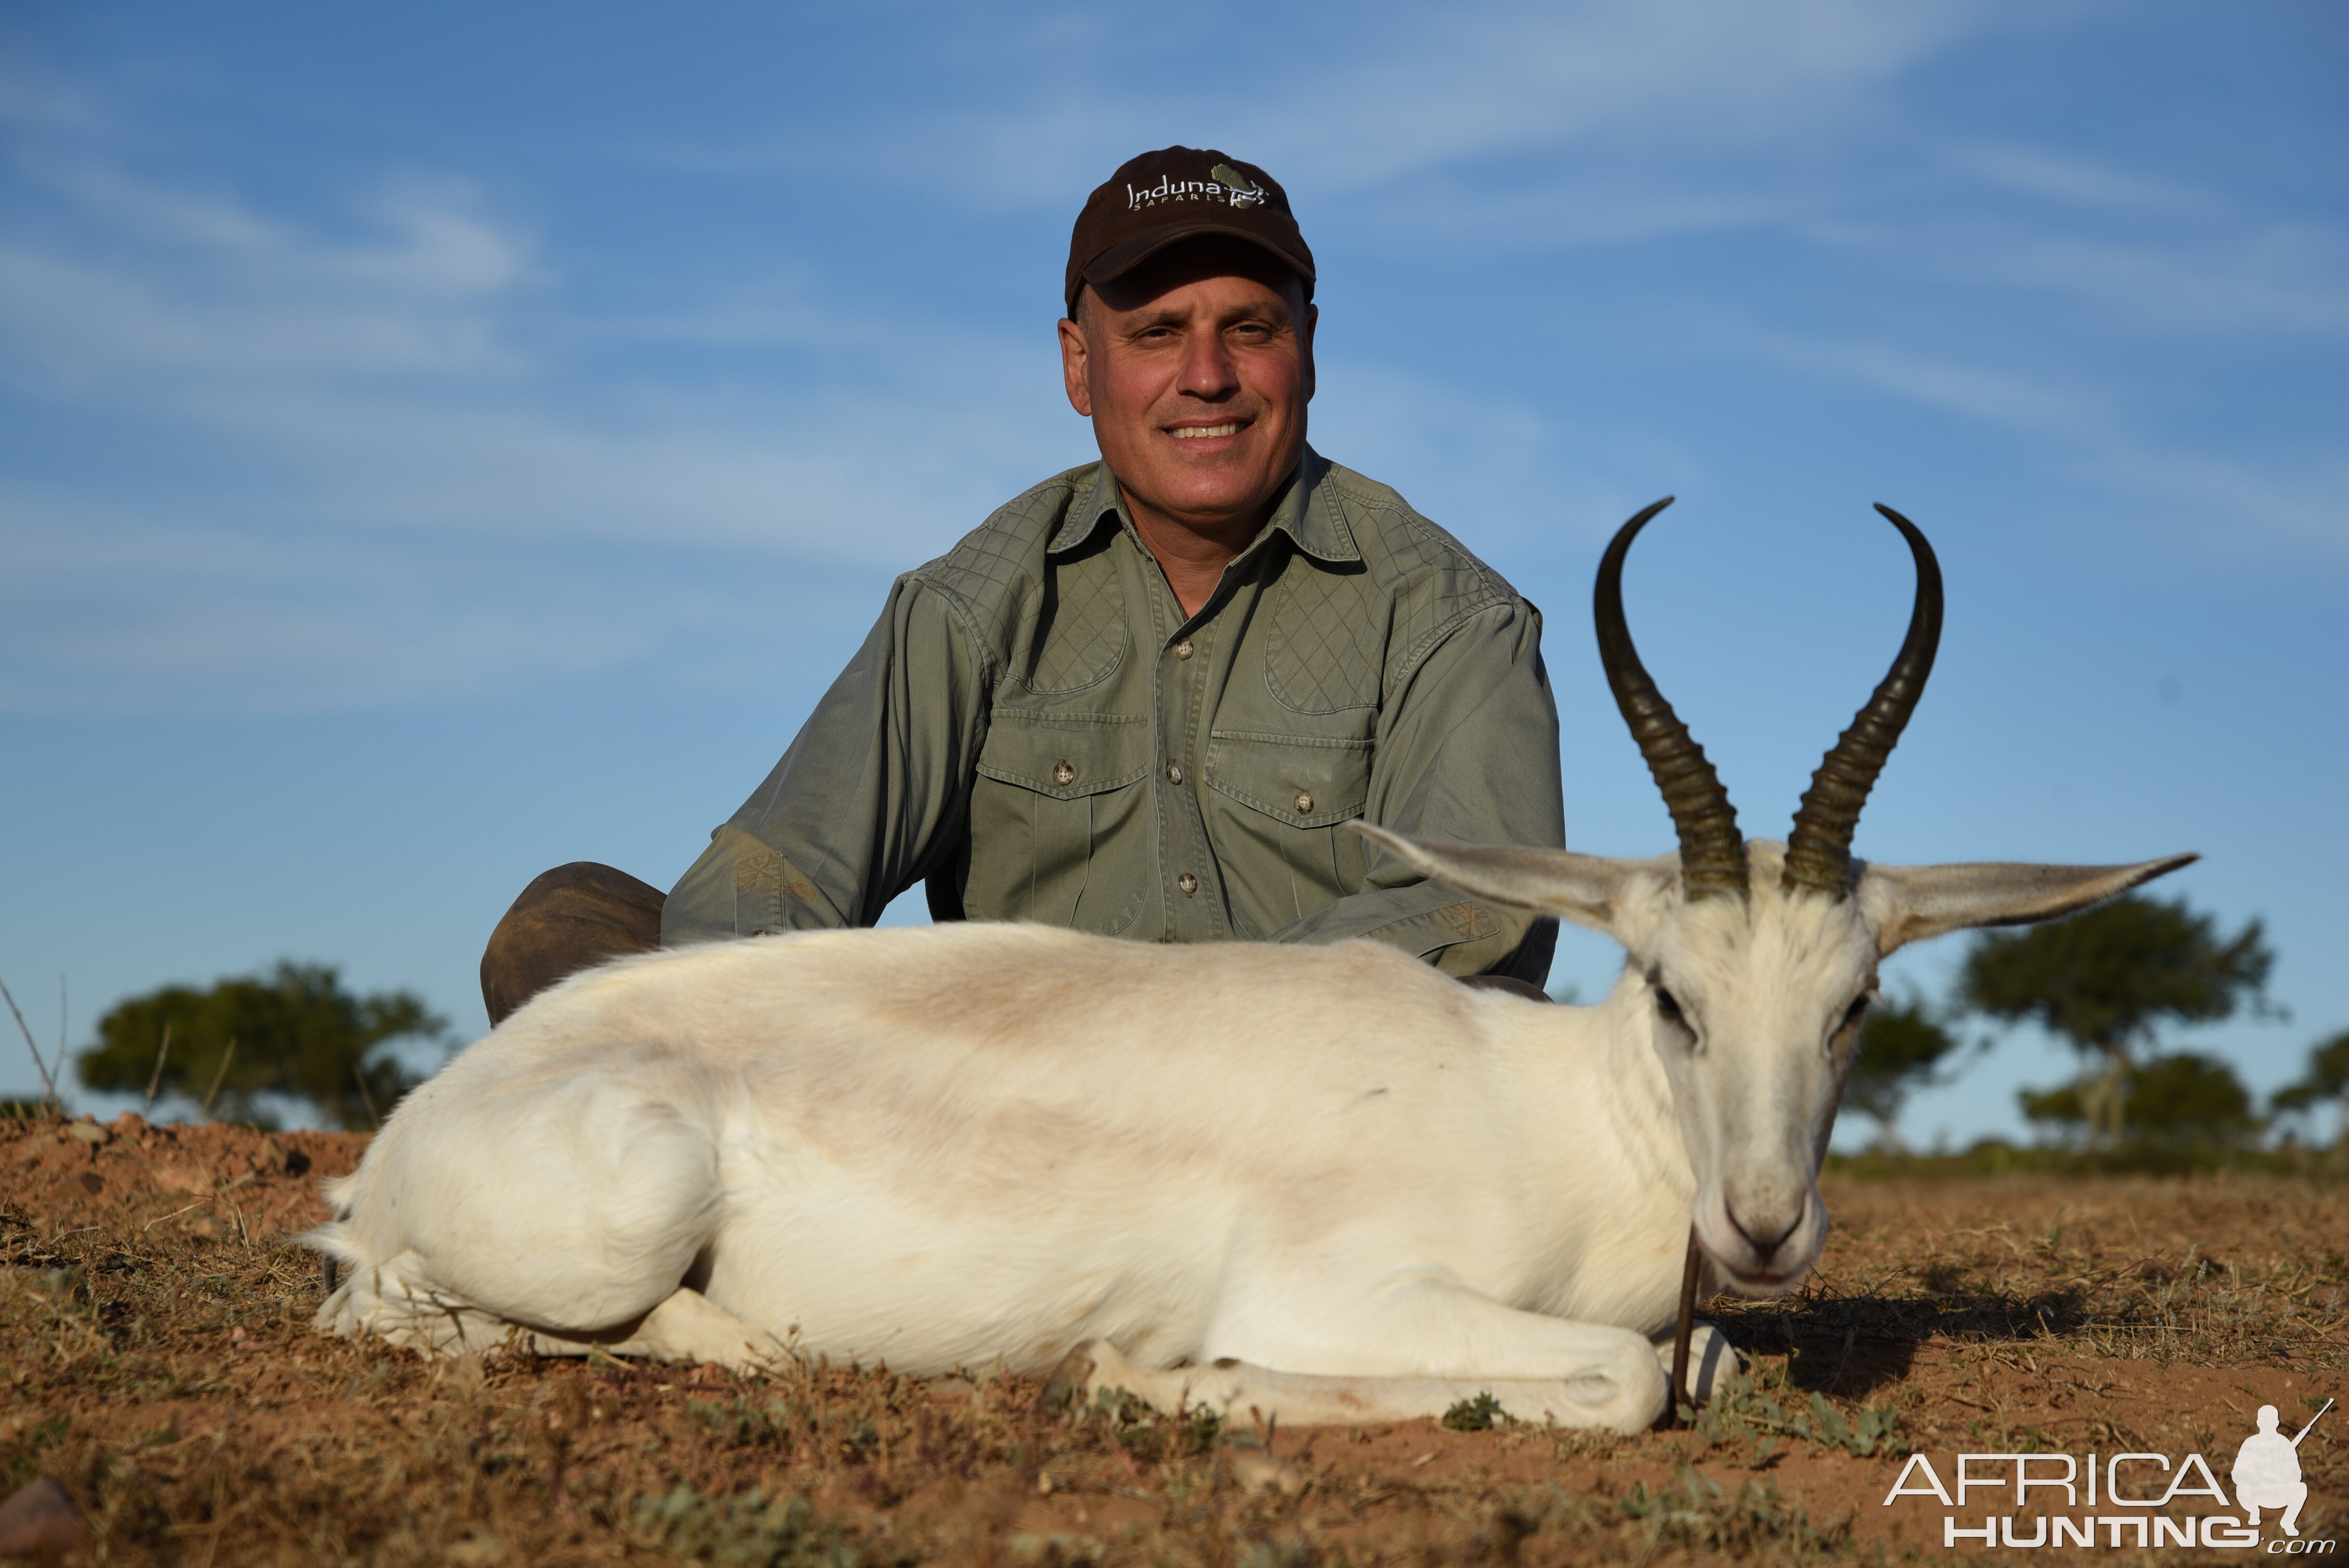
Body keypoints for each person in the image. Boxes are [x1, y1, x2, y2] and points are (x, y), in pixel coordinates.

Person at [480, 147, 1563, 1026]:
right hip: (1017, 1117)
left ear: (1309, 351)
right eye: (1154, 334)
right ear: (1079, 365)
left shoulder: (1454, 617)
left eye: (1250, 326)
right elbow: (784, 870)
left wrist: (1189, 1033)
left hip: (1308, 1127)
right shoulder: (972, 601)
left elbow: (1481, 910)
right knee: (570, 930)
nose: (1207, 376)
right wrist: (792, 1024)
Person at [2232, 1404, 2310, 1536]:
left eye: (2270, 1420)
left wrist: (2281, 1469)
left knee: (2301, 1488)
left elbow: (2297, 1475)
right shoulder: (2250, 1443)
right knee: (2242, 1488)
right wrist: (2255, 1473)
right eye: (2264, 1420)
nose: (2267, 1423)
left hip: (2278, 1492)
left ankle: (2288, 1522)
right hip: (2256, 1493)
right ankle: (2254, 1512)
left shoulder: (2285, 1444)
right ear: (2258, 1422)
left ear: (2277, 1423)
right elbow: (2237, 1474)